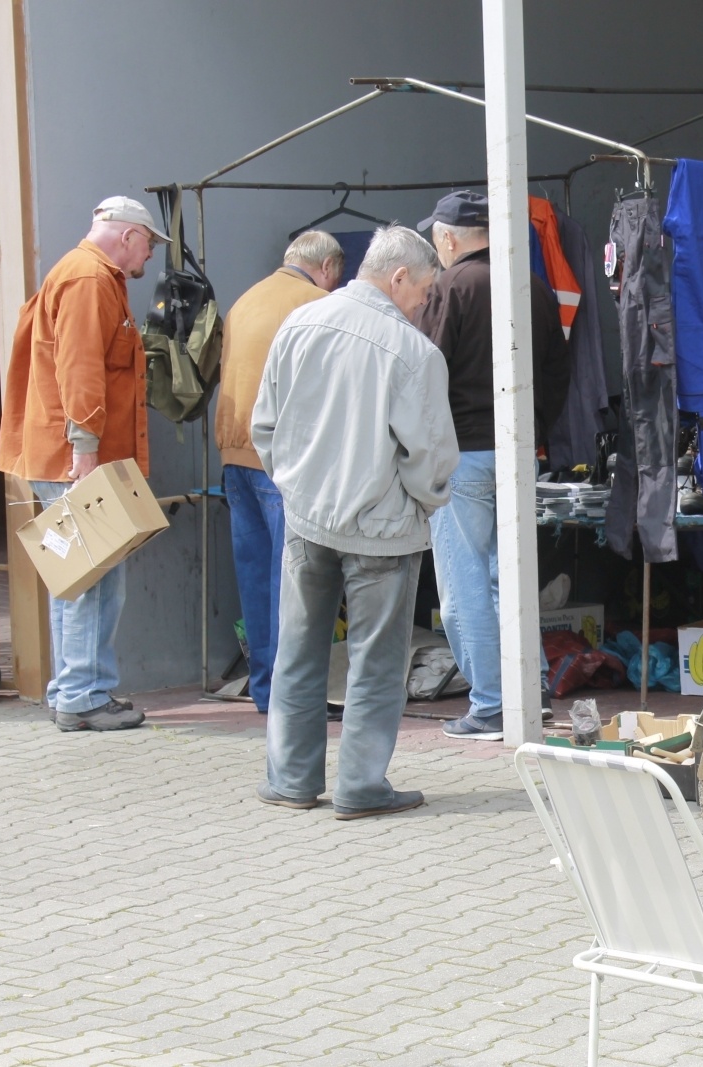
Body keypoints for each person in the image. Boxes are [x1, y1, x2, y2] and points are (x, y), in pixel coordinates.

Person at [251, 225, 458, 819]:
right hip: (383, 529)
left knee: (299, 648)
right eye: (422, 292)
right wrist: (425, 501)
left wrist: (294, 483)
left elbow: (266, 425)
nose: (423, 304)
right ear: (398, 278)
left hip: (306, 516)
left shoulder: (300, 323)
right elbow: (431, 457)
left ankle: (291, 779)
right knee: (377, 660)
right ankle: (361, 786)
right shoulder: (414, 352)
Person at [0, 195, 169, 733]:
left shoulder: (81, 274)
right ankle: (82, 695)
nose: (149, 258)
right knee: (93, 577)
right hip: (79, 457)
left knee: (75, 575)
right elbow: (80, 367)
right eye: (148, 244)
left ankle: (73, 689)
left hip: (68, 453)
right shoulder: (91, 280)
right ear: (127, 236)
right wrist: (86, 447)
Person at [415, 192, 569, 741]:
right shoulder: (533, 287)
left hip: (463, 452)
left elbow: (426, 370)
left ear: (450, 239)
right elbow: (557, 372)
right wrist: (533, 436)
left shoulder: (452, 286)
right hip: (519, 451)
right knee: (514, 578)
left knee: (463, 587)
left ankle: (490, 705)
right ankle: (534, 692)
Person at [215, 231, 343, 714]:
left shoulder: (245, 300)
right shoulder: (317, 304)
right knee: (295, 582)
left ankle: (268, 691)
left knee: (257, 579)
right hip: (281, 459)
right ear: (328, 267)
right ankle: (297, 698)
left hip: (234, 456)